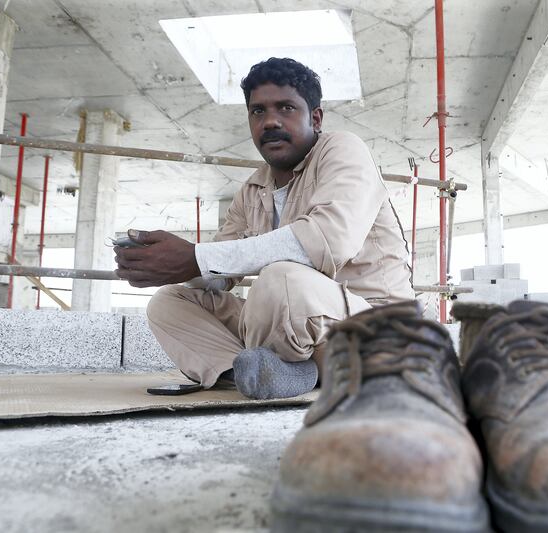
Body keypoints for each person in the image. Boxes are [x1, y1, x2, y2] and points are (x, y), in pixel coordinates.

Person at [114, 57, 414, 400]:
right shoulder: (253, 190)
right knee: (168, 302)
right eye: (258, 112)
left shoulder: (343, 150)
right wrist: (161, 260)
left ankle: (295, 368)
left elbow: (328, 242)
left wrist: (196, 257)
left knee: (280, 278)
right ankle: (251, 371)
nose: (270, 121)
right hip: (294, 326)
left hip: (370, 325)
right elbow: (219, 274)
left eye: (285, 108)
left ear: (314, 118)